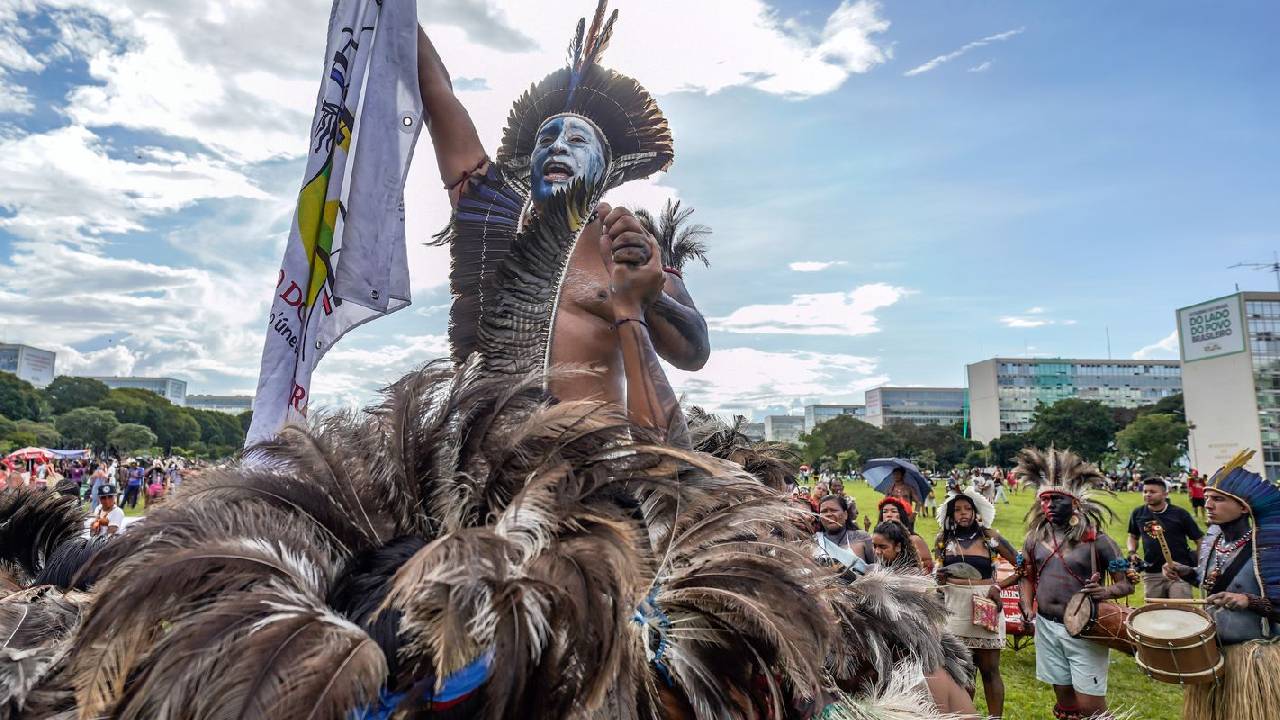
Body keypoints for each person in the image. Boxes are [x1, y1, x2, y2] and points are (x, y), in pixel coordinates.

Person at [418, 6, 707, 446]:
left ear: (605, 169)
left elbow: (694, 352)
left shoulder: (629, 243)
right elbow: (439, 94)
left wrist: (645, 297)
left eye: (576, 141)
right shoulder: (494, 219)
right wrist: (396, 16)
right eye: (545, 140)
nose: (557, 147)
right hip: (487, 476)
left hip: (594, 479)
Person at [1161, 451, 1280, 720]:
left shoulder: (1269, 548)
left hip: (1252, 660)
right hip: (1211, 654)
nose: (1209, 504)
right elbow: (1210, 583)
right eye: (1207, 498)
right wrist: (1187, 572)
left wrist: (1249, 601)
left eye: (1218, 499)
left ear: (1243, 507)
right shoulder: (1213, 542)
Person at [1016, 448, 1133, 720]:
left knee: (1092, 707)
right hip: (1046, 626)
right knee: (1066, 703)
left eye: (1056, 499)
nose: (1049, 505)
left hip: (1085, 627)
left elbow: (1126, 585)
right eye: (1044, 500)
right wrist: (1027, 607)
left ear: (1075, 502)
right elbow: (1027, 575)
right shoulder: (1034, 540)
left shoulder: (1098, 541)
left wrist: (1105, 591)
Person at [933, 487, 1020, 717]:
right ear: (951, 515)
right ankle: (965, 715)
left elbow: (1023, 566)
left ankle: (995, 717)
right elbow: (937, 572)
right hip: (954, 607)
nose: (963, 514)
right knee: (962, 670)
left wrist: (997, 586)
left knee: (989, 670)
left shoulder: (989, 537)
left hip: (985, 603)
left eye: (968, 509)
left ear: (975, 511)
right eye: (958, 510)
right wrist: (940, 576)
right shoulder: (943, 540)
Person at [1126, 476, 1202, 599]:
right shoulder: (1138, 513)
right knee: (1155, 613)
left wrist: (1200, 564)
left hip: (1177, 572)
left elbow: (1199, 540)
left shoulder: (1180, 514)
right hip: (1152, 573)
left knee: (1180, 612)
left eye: (1152, 492)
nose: (1147, 495)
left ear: (1165, 494)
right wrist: (1132, 552)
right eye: (1145, 491)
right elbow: (1133, 536)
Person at [815, 494, 874, 570]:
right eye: (824, 511)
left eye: (833, 510)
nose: (829, 514)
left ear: (845, 515)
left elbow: (877, 568)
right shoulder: (814, 542)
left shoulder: (861, 537)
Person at [878, 496, 934, 572]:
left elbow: (928, 565)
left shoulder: (914, 540)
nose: (889, 515)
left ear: (902, 515)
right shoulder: (877, 540)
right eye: (885, 511)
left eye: (894, 511)